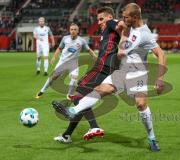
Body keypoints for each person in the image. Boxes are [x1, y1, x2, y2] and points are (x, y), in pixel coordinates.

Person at [52, 3, 166, 152]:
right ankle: (72, 111)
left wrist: (160, 78)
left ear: (135, 17)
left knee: (140, 105)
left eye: (126, 17)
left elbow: (161, 54)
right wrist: (121, 43)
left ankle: (151, 138)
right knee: (100, 89)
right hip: (121, 72)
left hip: (137, 74)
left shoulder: (145, 33)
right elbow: (121, 45)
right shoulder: (127, 28)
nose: (123, 20)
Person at [53, 7, 124, 143]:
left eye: (101, 19)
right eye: (98, 20)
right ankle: (67, 135)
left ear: (109, 17)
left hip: (104, 67)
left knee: (78, 94)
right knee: (81, 99)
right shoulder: (107, 30)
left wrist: (123, 31)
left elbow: (121, 25)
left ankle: (94, 127)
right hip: (107, 67)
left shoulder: (110, 23)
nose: (99, 22)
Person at [36, 23, 96, 99]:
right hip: (63, 61)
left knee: (74, 78)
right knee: (53, 77)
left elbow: (89, 50)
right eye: (71, 29)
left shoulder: (82, 41)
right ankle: (42, 91)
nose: (73, 31)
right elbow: (59, 48)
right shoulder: (65, 38)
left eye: (75, 29)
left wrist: (95, 57)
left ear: (78, 31)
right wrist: (54, 57)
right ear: (69, 30)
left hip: (73, 63)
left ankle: (69, 95)